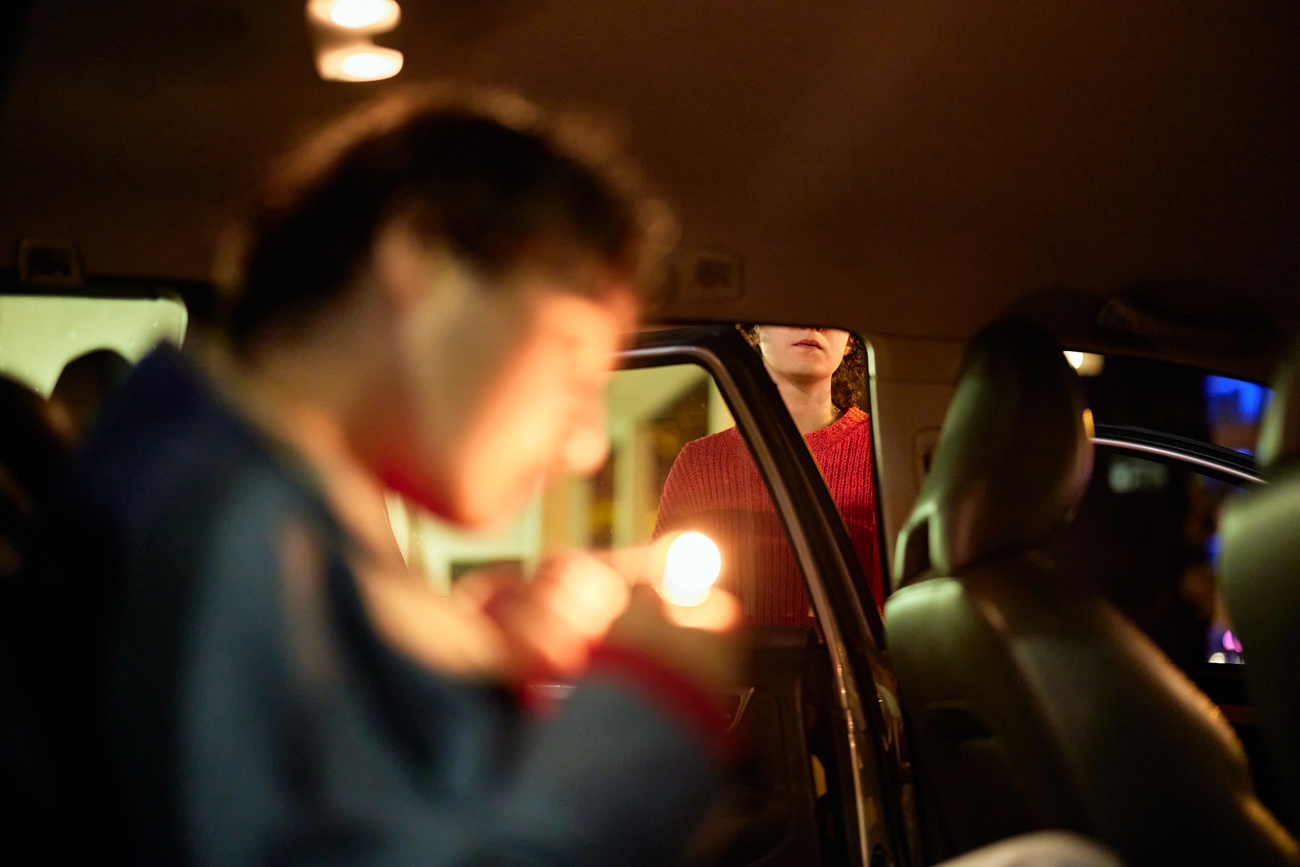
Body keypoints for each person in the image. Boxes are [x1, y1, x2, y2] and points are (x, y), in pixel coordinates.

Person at [42, 86, 742, 866]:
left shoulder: (243, 503)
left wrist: (472, 658)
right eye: (572, 362)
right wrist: (649, 700)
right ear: (424, 261)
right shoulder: (221, 521)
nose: (584, 444)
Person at [655, 324, 883, 625]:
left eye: (827, 309)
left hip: (852, 668)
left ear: (851, 340)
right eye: (789, 308)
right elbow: (661, 600)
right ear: (756, 329)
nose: (811, 323)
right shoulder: (700, 463)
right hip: (730, 665)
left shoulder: (882, 451)